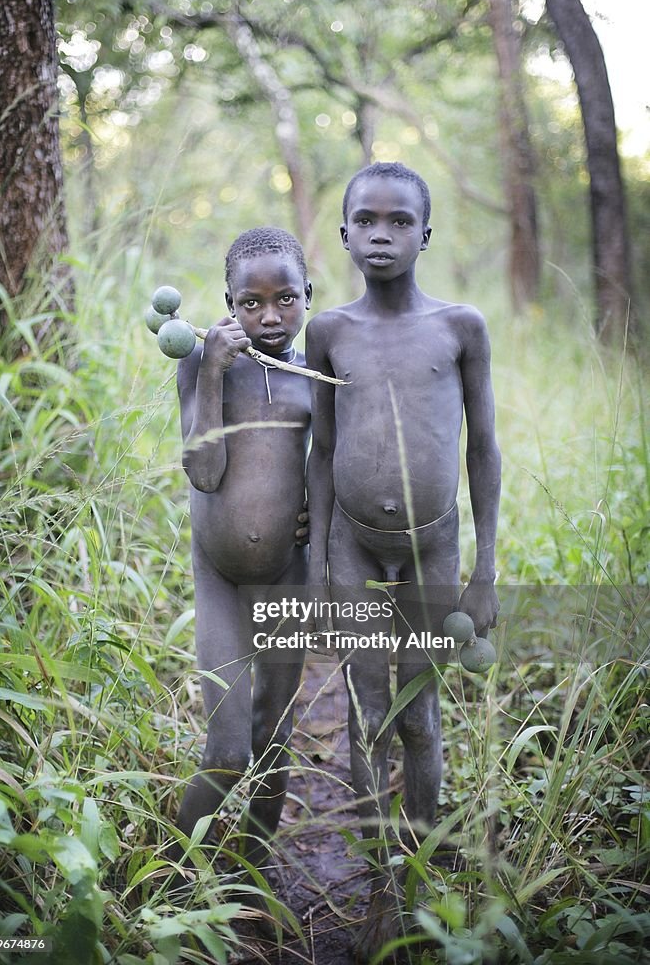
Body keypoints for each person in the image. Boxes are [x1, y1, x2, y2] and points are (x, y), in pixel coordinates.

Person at [306, 162, 501, 958]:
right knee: (361, 710)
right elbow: (321, 449)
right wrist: (319, 556)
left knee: (417, 714)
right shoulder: (329, 332)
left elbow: (482, 449)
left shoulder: (460, 328)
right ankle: (373, 868)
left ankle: (420, 855)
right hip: (352, 541)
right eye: (364, 220)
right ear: (345, 232)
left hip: (434, 546)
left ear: (426, 234)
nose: (379, 233)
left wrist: (484, 568)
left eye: (397, 221)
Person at [174, 226, 312, 869]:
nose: (268, 316)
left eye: (285, 299)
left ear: (307, 295)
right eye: (249, 303)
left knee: (274, 736)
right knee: (228, 751)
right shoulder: (200, 362)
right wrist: (212, 374)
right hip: (222, 581)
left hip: (288, 578)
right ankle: (178, 875)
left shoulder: (317, 376)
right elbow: (203, 473)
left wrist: (314, 504)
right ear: (228, 304)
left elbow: (331, 463)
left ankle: (253, 870)